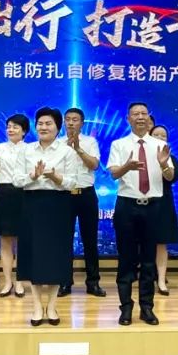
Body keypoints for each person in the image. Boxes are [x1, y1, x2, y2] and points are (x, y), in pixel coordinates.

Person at [107, 102, 174, 326]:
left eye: (144, 113)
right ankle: (126, 308)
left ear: (149, 118)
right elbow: (113, 174)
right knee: (126, 260)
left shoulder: (160, 145)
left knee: (148, 260)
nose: (140, 117)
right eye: (135, 114)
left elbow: (170, 176)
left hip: (153, 207)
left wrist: (164, 165)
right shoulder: (119, 144)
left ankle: (147, 308)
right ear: (128, 119)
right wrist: (127, 166)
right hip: (127, 206)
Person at [14, 107, 77, 327]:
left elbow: (73, 182)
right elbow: (16, 180)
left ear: (58, 127)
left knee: (55, 255)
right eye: (40, 123)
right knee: (34, 255)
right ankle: (36, 306)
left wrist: (55, 176)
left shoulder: (67, 152)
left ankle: (51, 306)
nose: (43, 127)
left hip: (58, 205)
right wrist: (34, 175)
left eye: (48, 123)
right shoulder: (26, 150)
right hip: (32, 204)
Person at [61, 107, 106, 297]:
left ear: (82, 123)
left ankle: (93, 282)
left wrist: (78, 149)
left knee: (90, 240)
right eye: (68, 119)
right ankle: (64, 282)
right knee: (64, 240)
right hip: (64, 195)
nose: (71, 123)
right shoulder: (57, 143)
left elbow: (94, 165)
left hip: (86, 194)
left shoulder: (90, 142)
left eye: (75, 119)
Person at [0, 114, 30, 298]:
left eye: (15, 126)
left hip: (24, 193)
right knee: (5, 240)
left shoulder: (31, 149)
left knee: (23, 240)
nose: (10, 129)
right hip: (4, 193)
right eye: (8, 126)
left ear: (24, 131)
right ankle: (7, 282)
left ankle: (20, 282)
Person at [150, 124, 178, 295]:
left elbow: (172, 177)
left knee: (161, 243)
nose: (160, 138)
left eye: (163, 136)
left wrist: (163, 164)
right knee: (144, 242)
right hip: (144, 202)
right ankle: (146, 279)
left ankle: (161, 280)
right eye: (156, 135)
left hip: (163, 203)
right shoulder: (142, 156)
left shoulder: (171, 159)